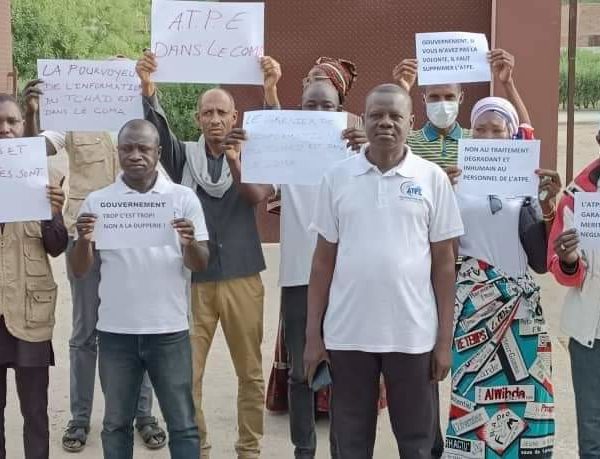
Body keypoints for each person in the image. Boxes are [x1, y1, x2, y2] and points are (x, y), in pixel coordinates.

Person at [304, 84, 464, 458]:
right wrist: (314, 336)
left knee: (418, 443)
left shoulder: (432, 179)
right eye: (376, 115)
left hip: (413, 336)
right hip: (348, 336)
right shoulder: (337, 178)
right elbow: (322, 261)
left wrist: (443, 340)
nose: (386, 123)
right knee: (351, 443)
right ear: (363, 120)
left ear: (411, 122)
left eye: (395, 116)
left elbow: (444, 265)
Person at [136, 51, 280, 459]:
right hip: (193, 282)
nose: (215, 119)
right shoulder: (183, 156)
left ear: (235, 118)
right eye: (207, 113)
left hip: (242, 276)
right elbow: (158, 134)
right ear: (198, 119)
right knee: (187, 376)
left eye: (222, 112)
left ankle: (248, 448)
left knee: (249, 373)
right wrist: (149, 89)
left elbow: (256, 194)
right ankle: (196, 445)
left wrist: (269, 92)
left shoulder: (252, 154)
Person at [225, 56, 364, 457]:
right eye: (310, 106)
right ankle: (304, 449)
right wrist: (237, 162)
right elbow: (256, 195)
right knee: (302, 370)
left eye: (327, 106)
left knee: (347, 369)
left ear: (340, 110)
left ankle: (343, 447)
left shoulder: (357, 151)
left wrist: (368, 149)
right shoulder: (286, 150)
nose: (319, 113)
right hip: (300, 275)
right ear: (299, 109)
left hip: (348, 276)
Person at [70, 119, 210, 459]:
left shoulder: (182, 199)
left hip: (169, 331)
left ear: (158, 152)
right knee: (116, 424)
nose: (135, 155)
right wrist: (85, 242)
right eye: (128, 148)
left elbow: (200, 263)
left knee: (183, 425)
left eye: (144, 148)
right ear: (118, 152)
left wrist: (189, 243)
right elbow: (80, 269)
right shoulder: (98, 202)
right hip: (116, 333)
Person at [445, 97, 560, 458]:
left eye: (498, 129)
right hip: (473, 312)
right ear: (470, 133)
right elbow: (442, 249)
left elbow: (541, 261)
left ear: (513, 135)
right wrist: (442, 191)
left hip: (520, 311)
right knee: (472, 396)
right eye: (480, 129)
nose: (489, 136)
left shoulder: (525, 185)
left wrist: (547, 207)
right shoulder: (453, 182)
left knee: (528, 397)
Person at [0, 92, 68, 459]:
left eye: (12, 122)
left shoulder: (47, 177)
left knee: (35, 414)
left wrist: (50, 212)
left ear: (24, 127)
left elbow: (57, 246)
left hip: (31, 315)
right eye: (0, 124)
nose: (6, 130)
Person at [394, 49, 530, 184]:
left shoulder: (476, 139)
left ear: (461, 98)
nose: (442, 103)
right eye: (434, 97)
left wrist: (507, 82)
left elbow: (525, 135)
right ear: (424, 99)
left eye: (449, 97)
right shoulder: (409, 141)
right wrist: (403, 89)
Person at [548, 128, 600, 459]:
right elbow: (564, 271)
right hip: (590, 332)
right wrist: (568, 261)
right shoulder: (578, 196)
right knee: (593, 433)